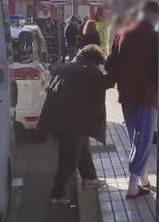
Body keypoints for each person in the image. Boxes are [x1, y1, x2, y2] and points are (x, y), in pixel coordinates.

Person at [38, 45, 111, 204]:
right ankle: (57, 194)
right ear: (94, 61)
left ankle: (90, 178)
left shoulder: (64, 67)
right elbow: (106, 83)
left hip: (53, 118)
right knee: (69, 158)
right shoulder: (89, 72)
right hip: (70, 123)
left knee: (82, 147)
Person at [105, 0, 159, 198]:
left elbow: (110, 64)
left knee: (135, 139)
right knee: (143, 139)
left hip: (126, 95)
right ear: (154, 16)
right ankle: (133, 183)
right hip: (147, 95)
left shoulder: (122, 34)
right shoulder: (155, 38)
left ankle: (143, 178)